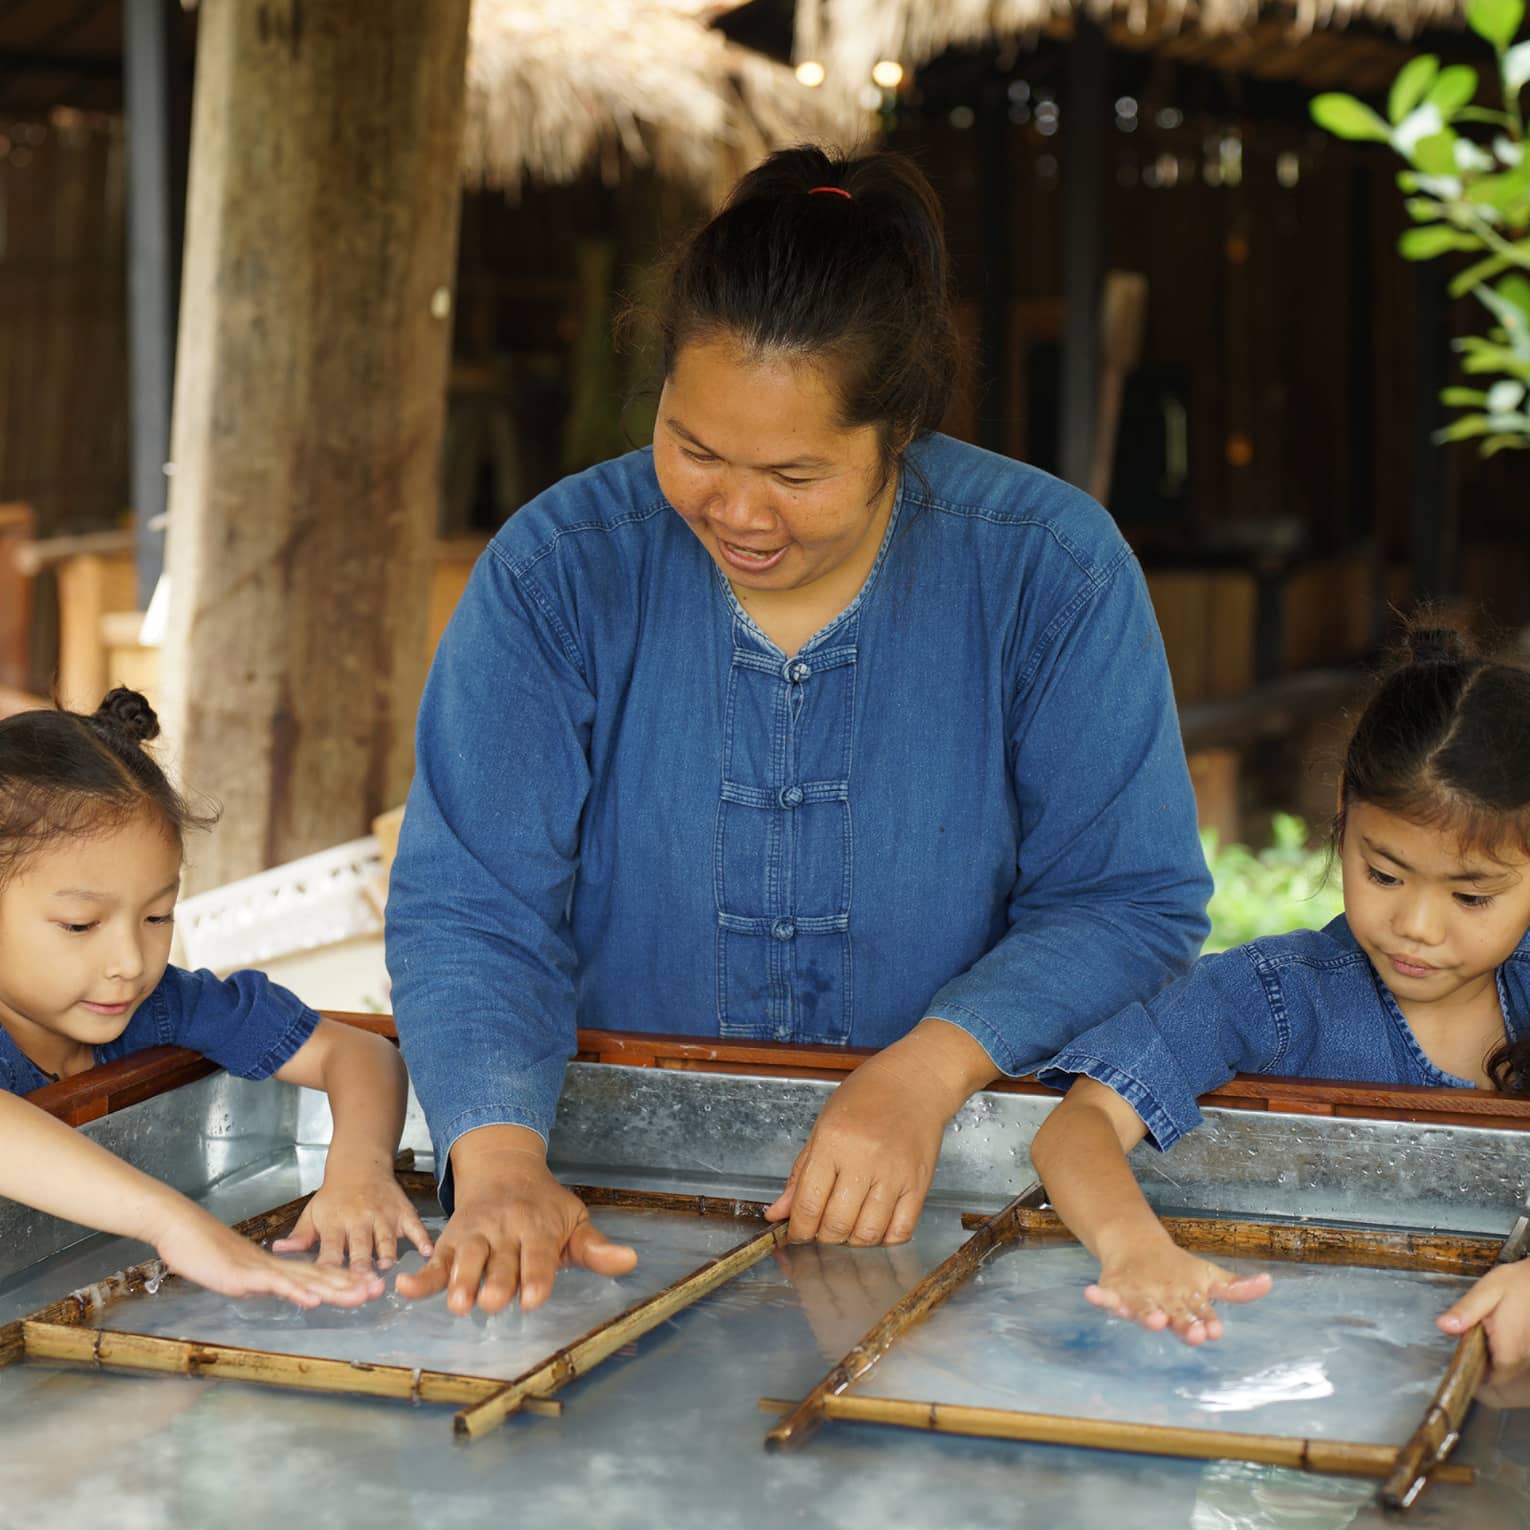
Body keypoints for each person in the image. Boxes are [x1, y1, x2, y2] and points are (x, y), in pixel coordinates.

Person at [386, 145, 1211, 1317]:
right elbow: (473, 903)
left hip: (970, 1202)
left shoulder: (1049, 569)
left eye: (795, 473)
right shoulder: (560, 568)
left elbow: (1129, 900)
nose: (736, 510)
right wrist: (505, 1163)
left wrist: (925, 1074)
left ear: (900, 432)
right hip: (606, 1208)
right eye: (695, 447)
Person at [1030, 622, 1530, 1382]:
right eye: (1385, 874)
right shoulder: (1277, 994)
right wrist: (1135, 1245)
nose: (1417, 929)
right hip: (1322, 1374)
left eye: (1470, 895)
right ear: (1343, 812)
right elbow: (1083, 1122)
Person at [0, 688, 432, 1304]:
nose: (130, 963)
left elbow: (362, 1054)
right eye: (80, 925)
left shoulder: (163, 1004)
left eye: (157, 917)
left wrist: (358, 1173)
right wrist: (175, 1223)